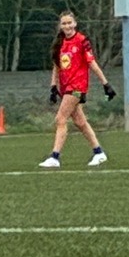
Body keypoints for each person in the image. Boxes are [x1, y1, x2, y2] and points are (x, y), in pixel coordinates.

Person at [38, 11, 115, 168]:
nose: (67, 26)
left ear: (75, 24)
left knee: (60, 119)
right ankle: (99, 153)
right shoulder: (59, 43)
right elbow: (57, 67)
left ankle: (55, 157)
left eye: (69, 23)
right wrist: (53, 86)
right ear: (60, 26)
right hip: (65, 87)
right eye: (64, 23)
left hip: (77, 86)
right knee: (80, 122)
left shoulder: (81, 41)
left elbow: (91, 63)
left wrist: (105, 83)